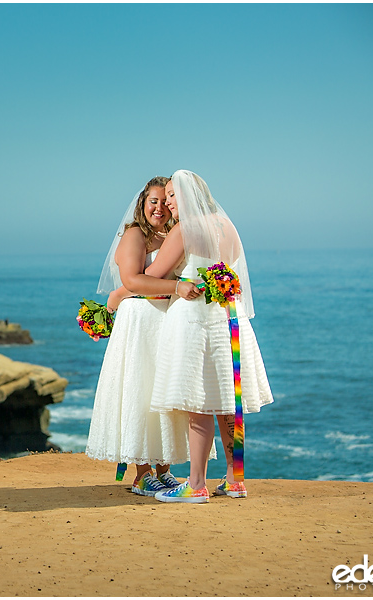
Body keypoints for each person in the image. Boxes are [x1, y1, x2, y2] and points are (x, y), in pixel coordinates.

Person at [143, 170, 274, 503]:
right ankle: (235, 480)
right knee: (227, 404)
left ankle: (197, 484)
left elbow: (152, 276)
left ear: (190, 194)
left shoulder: (185, 230)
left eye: (173, 194)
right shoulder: (227, 226)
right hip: (230, 320)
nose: (169, 202)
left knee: (197, 404)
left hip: (195, 325)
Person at [86, 176, 204, 496]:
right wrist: (177, 287)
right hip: (139, 321)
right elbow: (133, 281)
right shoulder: (135, 235)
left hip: (166, 320)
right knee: (139, 390)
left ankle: (163, 469)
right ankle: (141, 473)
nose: (160, 208)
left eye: (165, 202)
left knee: (162, 393)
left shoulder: (174, 234)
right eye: (153, 201)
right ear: (142, 203)